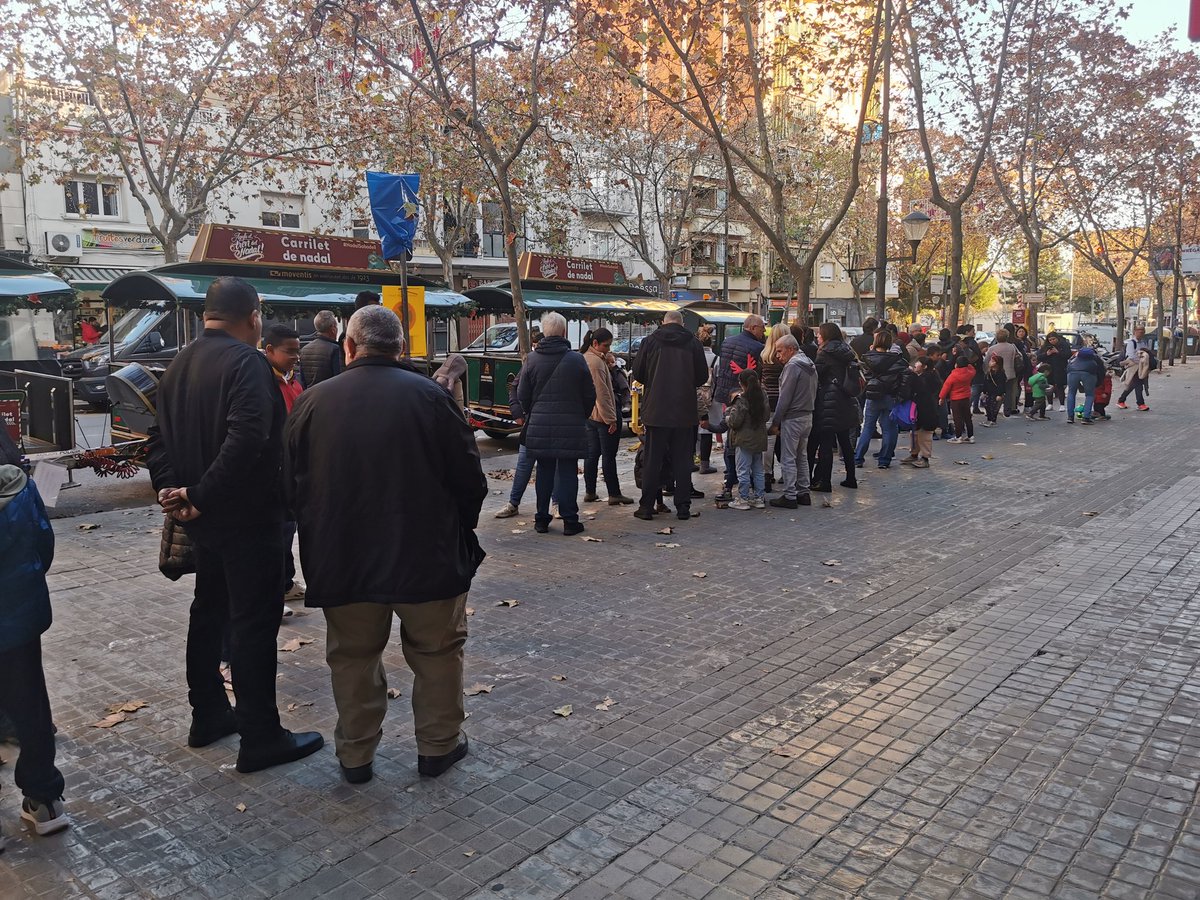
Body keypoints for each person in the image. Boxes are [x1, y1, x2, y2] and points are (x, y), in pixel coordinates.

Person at [284, 305, 486, 784]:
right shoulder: (432, 398)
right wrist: (458, 531)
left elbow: (288, 488)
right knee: (437, 654)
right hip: (428, 558)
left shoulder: (311, 403)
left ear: (348, 347)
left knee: (353, 657)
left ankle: (355, 756)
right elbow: (469, 482)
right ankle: (437, 748)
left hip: (343, 559)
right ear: (401, 348)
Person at [145, 276, 323, 773]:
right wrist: (198, 496)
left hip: (204, 518)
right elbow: (249, 438)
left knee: (209, 613)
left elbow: (156, 439)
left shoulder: (179, 362)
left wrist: (175, 493)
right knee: (251, 624)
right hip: (247, 519)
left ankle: (208, 715)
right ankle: (261, 736)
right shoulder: (248, 362)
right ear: (254, 316)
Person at [0, 465, 67, 843]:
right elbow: (43, 546)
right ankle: (45, 800)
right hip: (17, 617)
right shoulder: (18, 485)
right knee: (30, 704)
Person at [517, 313, 595, 535]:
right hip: (571, 425)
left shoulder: (531, 360)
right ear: (563, 332)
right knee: (569, 473)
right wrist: (580, 415)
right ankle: (570, 520)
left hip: (540, 425)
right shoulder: (576, 359)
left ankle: (541, 519)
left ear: (544, 331)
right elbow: (589, 395)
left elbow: (523, 395)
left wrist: (536, 412)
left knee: (544, 472)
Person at [632, 310, 708, 521]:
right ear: (682, 324)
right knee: (683, 460)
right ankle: (683, 507)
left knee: (652, 460)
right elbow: (702, 376)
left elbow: (637, 372)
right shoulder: (693, 343)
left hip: (656, 410)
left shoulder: (650, 342)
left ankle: (646, 506)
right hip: (684, 411)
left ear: (663, 323)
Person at [263, 325, 306, 607]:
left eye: (297, 351)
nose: (295, 357)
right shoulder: (262, 384)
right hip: (275, 474)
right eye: (289, 352)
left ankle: (285, 582)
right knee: (278, 535)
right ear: (269, 351)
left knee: (287, 531)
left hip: (294, 470)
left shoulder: (293, 381)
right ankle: (277, 588)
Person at [712, 315, 766, 501]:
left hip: (726, 394)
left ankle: (729, 478)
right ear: (752, 327)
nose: (764, 331)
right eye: (761, 328)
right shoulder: (758, 348)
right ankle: (746, 486)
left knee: (730, 436)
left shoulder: (727, 342)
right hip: (746, 397)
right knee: (742, 440)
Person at [494, 333, 543, 519]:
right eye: (534, 345)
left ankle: (553, 504)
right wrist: (516, 411)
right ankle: (514, 503)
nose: (536, 348)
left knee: (548, 467)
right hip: (531, 424)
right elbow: (515, 388)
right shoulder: (530, 363)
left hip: (542, 423)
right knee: (524, 465)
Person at [581, 328, 632, 505]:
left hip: (591, 416)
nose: (608, 349)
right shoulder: (595, 362)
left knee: (592, 454)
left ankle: (590, 491)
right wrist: (611, 419)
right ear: (595, 344)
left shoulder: (587, 358)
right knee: (608, 456)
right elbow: (602, 393)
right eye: (606, 345)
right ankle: (614, 493)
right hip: (602, 416)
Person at [767, 334, 817, 508]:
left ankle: (790, 495)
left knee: (788, 457)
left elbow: (784, 398)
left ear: (790, 349)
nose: (778, 356)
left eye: (780, 351)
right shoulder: (809, 363)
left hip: (793, 417)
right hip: (807, 415)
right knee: (801, 456)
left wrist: (775, 422)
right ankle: (804, 492)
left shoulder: (793, 366)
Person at [811, 323, 860, 492]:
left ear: (825, 335)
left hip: (829, 400)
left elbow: (817, 375)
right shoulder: (847, 349)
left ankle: (825, 481)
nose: (817, 337)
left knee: (826, 442)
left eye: (819, 334)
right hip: (846, 399)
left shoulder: (824, 352)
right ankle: (851, 477)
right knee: (845, 441)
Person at [853, 330, 909, 469]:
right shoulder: (896, 360)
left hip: (873, 396)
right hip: (890, 396)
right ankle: (884, 460)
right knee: (889, 429)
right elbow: (905, 375)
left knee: (868, 427)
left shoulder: (867, 358)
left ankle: (858, 457)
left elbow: (863, 376)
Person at [726, 370, 769, 510]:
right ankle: (759, 498)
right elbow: (767, 416)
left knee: (743, 470)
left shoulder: (741, 399)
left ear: (741, 384)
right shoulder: (763, 396)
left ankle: (743, 499)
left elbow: (735, 422)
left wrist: (727, 417)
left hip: (744, 440)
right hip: (759, 439)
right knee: (758, 470)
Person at [759, 323, 789, 491]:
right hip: (784, 401)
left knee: (768, 441)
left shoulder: (764, 356)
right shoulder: (785, 358)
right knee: (786, 441)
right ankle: (786, 474)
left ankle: (766, 475)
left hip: (768, 402)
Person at [901, 357, 941, 468]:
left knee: (925, 435)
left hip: (926, 410)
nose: (915, 364)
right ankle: (914, 454)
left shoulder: (928, 378)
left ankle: (925, 457)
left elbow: (920, 389)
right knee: (914, 433)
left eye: (918, 363)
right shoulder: (923, 376)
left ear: (925, 366)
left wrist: (912, 375)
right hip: (918, 409)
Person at [299, 310, 342, 387]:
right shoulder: (334, 348)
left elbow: (303, 380)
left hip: (310, 395)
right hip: (329, 395)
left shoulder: (304, 349)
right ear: (333, 328)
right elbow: (338, 378)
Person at [939, 357, 976, 444]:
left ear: (956, 365)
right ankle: (971, 436)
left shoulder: (953, 375)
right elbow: (972, 368)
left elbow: (946, 387)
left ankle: (958, 436)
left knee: (957, 418)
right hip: (966, 397)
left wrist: (941, 397)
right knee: (967, 417)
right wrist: (967, 364)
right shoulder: (970, 373)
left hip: (955, 399)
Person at [1066, 345, 1105, 424]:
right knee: (1090, 395)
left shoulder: (1075, 356)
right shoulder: (1095, 358)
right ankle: (1086, 417)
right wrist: (1098, 383)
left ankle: (1070, 417)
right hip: (1089, 373)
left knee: (1071, 393)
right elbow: (1101, 370)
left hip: (1072, 372)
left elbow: (1068, 364)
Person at [984, 329, 1019, 416]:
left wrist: (987, 371)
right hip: (1010, 372)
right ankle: (1007, 411)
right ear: (1007, 337)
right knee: (1009, 393)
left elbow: (986, 361)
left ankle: (995, 410)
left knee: (997, 392)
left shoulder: (992, 348)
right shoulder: (1012, 347)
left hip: (996, 373)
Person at [1118, 326, 1153, 410]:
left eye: (1142, 331)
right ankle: (1140, 404)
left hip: (1142, 368)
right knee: (1138, 385)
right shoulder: (1131, 343)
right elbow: (1131, 356)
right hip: (1134, 367)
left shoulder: (1143, 342)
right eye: (1139, 331)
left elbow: (1146, 353)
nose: (1141, 333)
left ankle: (1121, 400)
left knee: (1133, 385)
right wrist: (1141, 360)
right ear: (1135, 332)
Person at [1037, 332, 1070, 412]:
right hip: (1048, 369)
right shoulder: (1045, 346)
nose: (1052, 341)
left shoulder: (1064, 345)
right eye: (1050, 340)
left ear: (1057, 338)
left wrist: (1057, 352)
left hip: (1060, 368)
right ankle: (1050, 404)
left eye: (1053, 339)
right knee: (1049, 386)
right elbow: (1039, 357)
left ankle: (1062, 405)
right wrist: (1047, 354)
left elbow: (1068, 355)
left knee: (1060, 386)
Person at [981, 355, 1007, 427]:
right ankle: (989, 419)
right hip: (989, 392)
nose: (990, 362)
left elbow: (1001, 384)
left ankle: (993, 420)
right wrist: (984, 391)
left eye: (993, 361)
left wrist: (1000, 394)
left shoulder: (1001, 373)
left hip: (996, 393)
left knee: (993, 407)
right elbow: (985, 382)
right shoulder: (989, 372)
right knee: (987, 405)